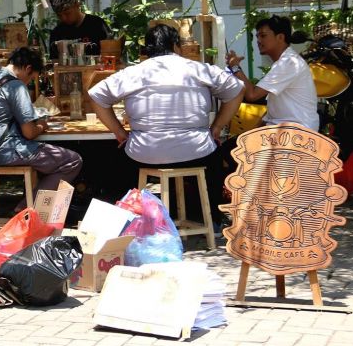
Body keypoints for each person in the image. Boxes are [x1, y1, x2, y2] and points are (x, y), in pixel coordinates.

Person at [88, 24, 244, 223]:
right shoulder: (198, 69)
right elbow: (237, 90)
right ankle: (209, 217)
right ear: (176, 46)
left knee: (112, 161)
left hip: (144, 153)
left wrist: (120, 133)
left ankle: (127, 221)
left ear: (147, 50)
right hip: (196, 151)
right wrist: (217, 127)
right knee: (214, 155)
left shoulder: (134, 72)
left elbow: (96, 95)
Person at [0, 47, 82, 201]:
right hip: (7, 150)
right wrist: (43, 125)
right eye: (31, 78)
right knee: (72, 160)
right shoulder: (15, 85)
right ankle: (26, 209)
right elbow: (29, 132)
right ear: (28, 68)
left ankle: (32, 206)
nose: (29, 82)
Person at [225, 15, 318, 131]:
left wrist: (235, 68)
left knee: (226, 148)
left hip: (295, 134)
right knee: (232, 146)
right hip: (283, 132)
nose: (258, 41)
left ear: (280, 37)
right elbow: (270, 115)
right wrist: (248, 136)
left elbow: (252, 95)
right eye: (257, 36)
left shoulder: (288, 63)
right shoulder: (285, 62)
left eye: (263, 36)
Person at [47, 0, 111, 59]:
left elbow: (110, 52)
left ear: (77, 5)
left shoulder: (97, 24)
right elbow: (54, 62)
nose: (64, 18)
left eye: (67, 13)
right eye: (59, 15)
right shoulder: (57, 33)